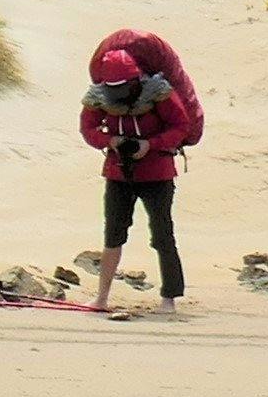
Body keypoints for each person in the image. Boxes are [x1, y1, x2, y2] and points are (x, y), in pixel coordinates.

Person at [78, 27, 204, 313]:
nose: (119, 95)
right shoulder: (99, 97)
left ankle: (169, 298)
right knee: (113, 235)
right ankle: (101, 297)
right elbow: (88, 129)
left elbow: (180, 126)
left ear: (136, 80)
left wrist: (150, 145)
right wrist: (111, 141)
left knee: (162, 235)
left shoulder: (159, 93)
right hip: (118, 173)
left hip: (158, 174)